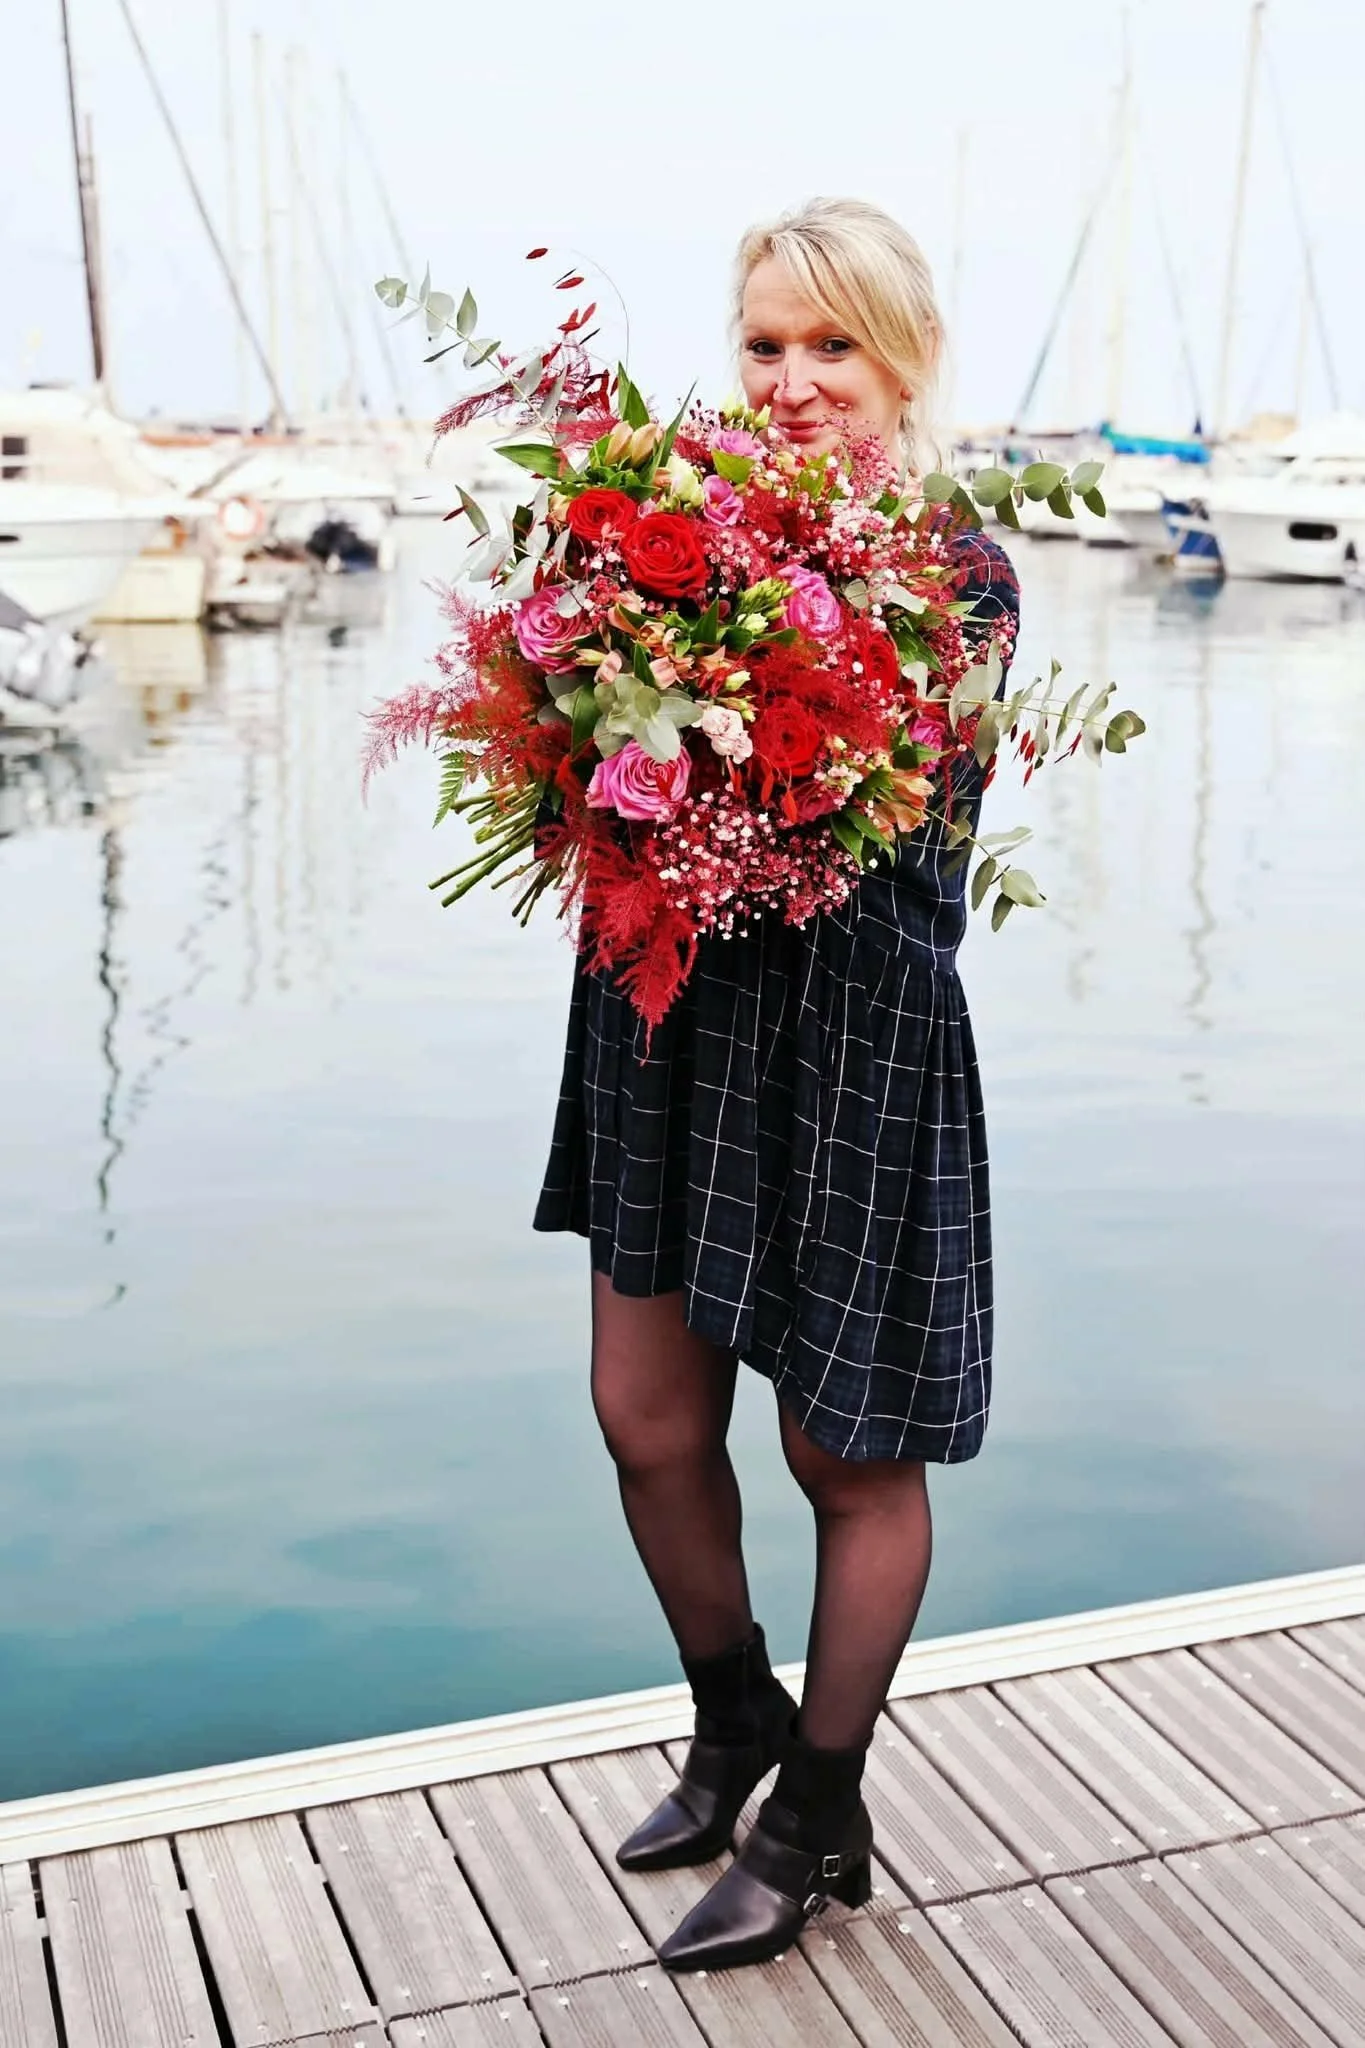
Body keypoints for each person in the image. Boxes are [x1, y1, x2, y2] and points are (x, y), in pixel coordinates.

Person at [534, 196, 1020, 1974]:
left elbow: (857, 829)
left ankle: (819, 1807)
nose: (795, 381)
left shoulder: (961, 573)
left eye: (832, 346)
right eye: (763, 345)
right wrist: (589, 704)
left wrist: (708, 692)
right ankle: (733, 1725)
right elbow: (592, 782)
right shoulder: (655, 535)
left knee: (842, 1449)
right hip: (665, 1024)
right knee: (644, 1415)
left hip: (854, 1043)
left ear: (905, 358)